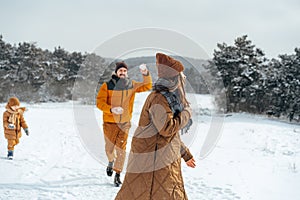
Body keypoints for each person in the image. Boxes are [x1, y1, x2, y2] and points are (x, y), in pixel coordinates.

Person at [115, 53, 196, 200]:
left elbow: (172, 134)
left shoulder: (170, 98)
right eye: (181, 76)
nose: (184, 78)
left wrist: (185, 154)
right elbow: (167, 129)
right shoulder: (160, 99)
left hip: (161, 155)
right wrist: (186, 114)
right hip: (152, 158)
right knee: (150, 192)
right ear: (174, 78)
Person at [96, 61, 152, 186]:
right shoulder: (107, 85)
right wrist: (111, 109)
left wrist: (145, 73)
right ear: (116, 72)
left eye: (124, 71)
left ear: (127, 73)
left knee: (121, 149)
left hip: (125, 123)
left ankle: (118, 174)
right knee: (109, 149)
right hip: (110, 122)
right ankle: (111, 161)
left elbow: (147, 86)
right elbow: (99, 102)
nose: (122, 72)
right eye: (120, 70)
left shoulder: (131, 85)